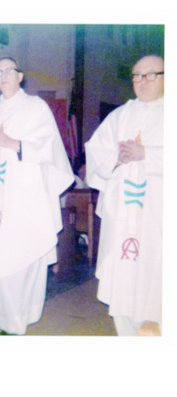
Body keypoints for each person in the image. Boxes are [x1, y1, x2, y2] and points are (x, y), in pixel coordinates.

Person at [0, 56, 74, 335]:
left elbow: (51, 150)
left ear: (20, 76)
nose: (2, 77)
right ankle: (6, 324)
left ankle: (16, 324)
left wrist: (13, 144)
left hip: (25, 201)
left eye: (8, 71)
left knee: (21, 259)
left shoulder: (36, 107)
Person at [85, 55, 164, 336]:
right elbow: (96, 153)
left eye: (150, 75)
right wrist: (116, 159)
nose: (142, 82)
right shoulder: (119, 116)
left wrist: (147, 154)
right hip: (121, 218)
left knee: (156, 283)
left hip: (159, 217)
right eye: (136, 76)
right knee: (122, 282)